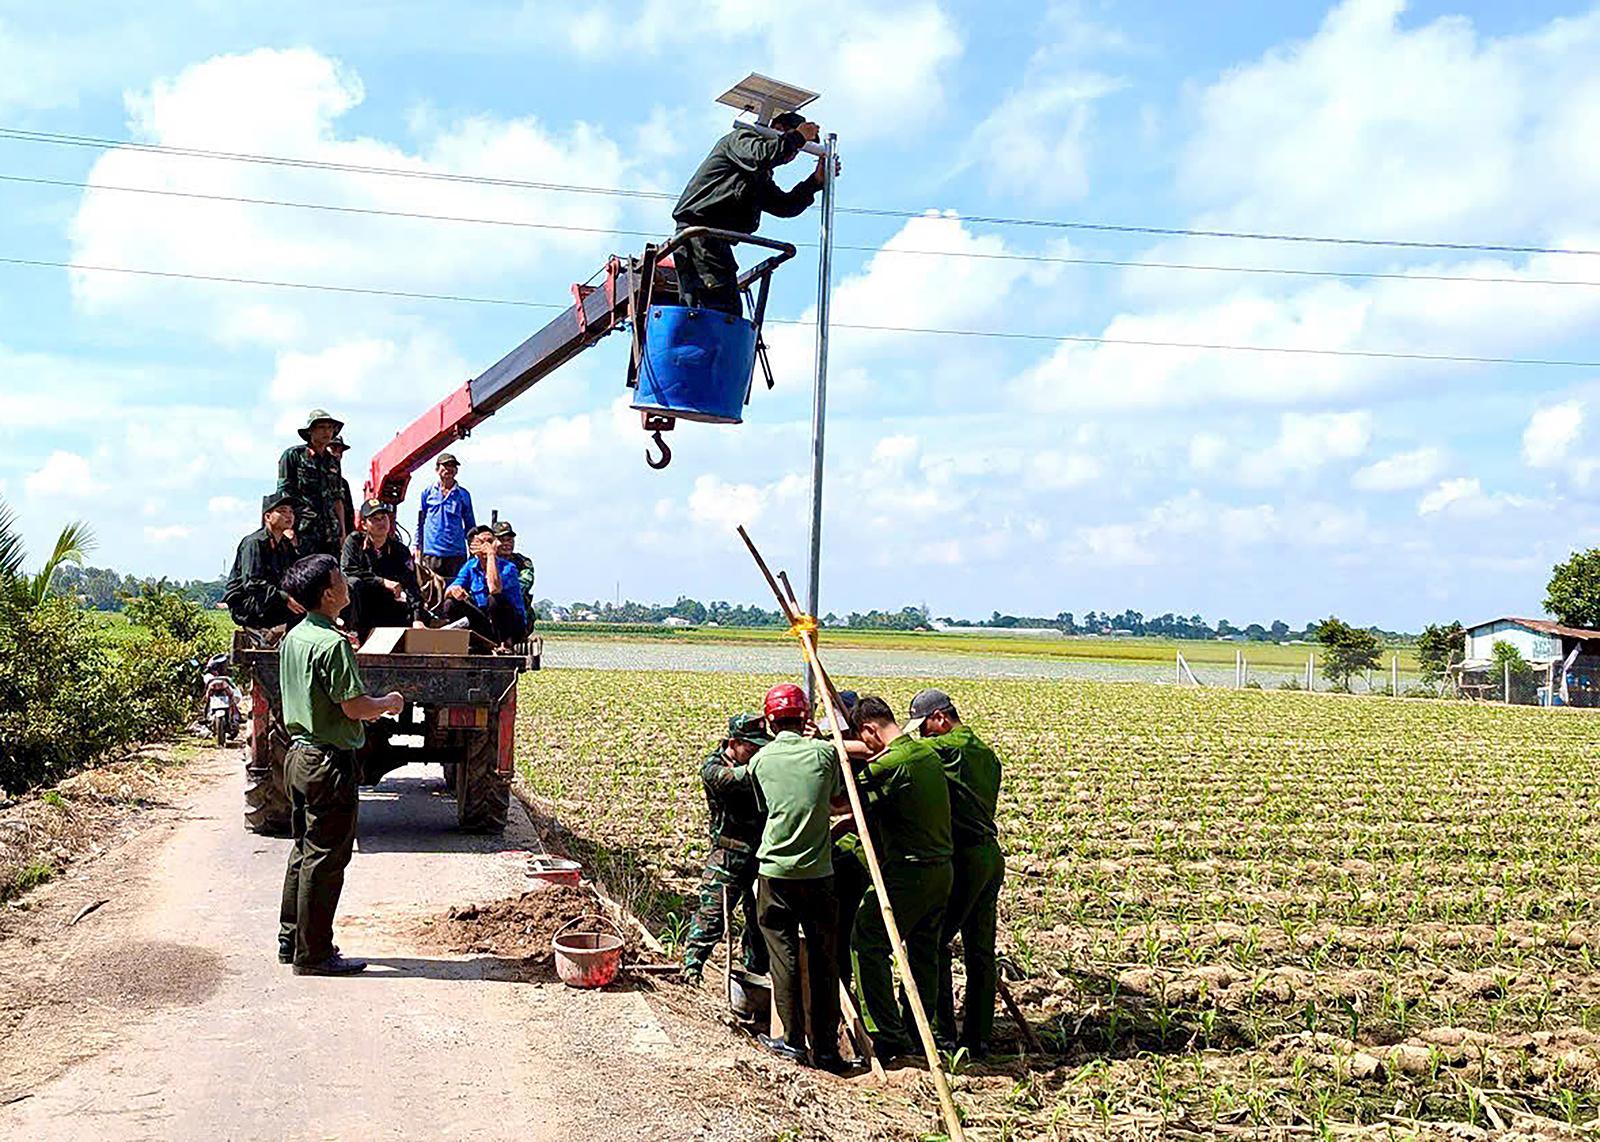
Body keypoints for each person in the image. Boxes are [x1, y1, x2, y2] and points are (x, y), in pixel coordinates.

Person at [276, 554, 404, 976]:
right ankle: (314, 954)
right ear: (329, 593)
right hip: (327, 761)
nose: (348, 583)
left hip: (298, 755)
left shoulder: (295, 637)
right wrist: (387, 704)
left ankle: (292, 940)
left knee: (305, 850)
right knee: (327, 857)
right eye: (341, 579)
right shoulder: (331, 644)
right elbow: (353, 707)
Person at [747, 683, 850, 1072]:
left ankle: (791, 1041)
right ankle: (826, 1048)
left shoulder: (761, 760)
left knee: (784, 956)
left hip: (775, 871)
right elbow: (837, 800)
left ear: (771, 720)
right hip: (819, 872)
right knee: (825, 959)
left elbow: (767, 808)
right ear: (805, 717)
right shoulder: (824, 754)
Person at [847, 695, 954, 1061]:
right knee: (924, 951)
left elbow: (841, 801)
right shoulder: (925, 754)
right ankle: (919, 1029)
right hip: (943, 869)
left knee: (868, 939)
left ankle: (886, 1033)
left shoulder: (893, 764)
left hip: (911, 871)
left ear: (869, 730)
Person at [908, 688, 1005, 1057]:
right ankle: (979, 1037)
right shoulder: (986, 753)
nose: (922, 735)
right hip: (989, 855)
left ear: (941, 719)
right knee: (981, 951)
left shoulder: (950, 748)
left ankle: (941, 1030)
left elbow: (902, 754)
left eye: (924, 728)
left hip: (964, 857)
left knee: (934, 941)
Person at [671, 112, 831, 315]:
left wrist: (815, 182)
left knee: (717, 308)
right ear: (778, 129)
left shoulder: (756, 175)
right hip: (699, 235)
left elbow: (784, 205)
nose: (793, 154)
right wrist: (797, 138)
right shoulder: (741, 139)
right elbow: (761, 155)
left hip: (712, 239)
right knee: (719, 308)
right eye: (796, 146)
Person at [681, 712, 772, 984]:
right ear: (733, 743)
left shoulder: (759, 762)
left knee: (760, 920)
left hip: (760, 854)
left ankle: (754, 973)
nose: (757, 753)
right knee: (713, 915)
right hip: (728, 855)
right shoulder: (714, 768)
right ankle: (691, 970)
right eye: (752, 748)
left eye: (762, 748)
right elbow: (737, 779)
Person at [339, 498, 427, 641]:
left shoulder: (399, 550)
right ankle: (353, 632)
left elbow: (411, 585)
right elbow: (348, 570)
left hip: (387, 603)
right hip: (361, 604)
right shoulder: (354, 542)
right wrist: (381, 581)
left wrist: (418, 618)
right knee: (353, 583)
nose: (381, 523)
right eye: (375, 519)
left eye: (384, 517)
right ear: (364, 524)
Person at [223, 492, 305, 633]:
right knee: (297, 611)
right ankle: (268, 636)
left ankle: (279, 638)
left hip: (272, 600)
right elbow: (253, 583)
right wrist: (285, 598)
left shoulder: (285, 545)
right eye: (282, 511)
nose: (289, 516)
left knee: (309, 605)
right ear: (268, 516)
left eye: (291, 512)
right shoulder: (255, 543)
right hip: (248, 603)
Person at [276, 409, 348, 556]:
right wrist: (287, 528)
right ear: (310, 431)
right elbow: (284, 494)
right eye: (321, 427)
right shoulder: (293, 456)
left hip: (330, 533)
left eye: (330, 427)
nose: (326, 432)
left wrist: (342, 533)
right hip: (303, 530)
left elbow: (338, 500)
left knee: (331, 575)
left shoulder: (333, 462)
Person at [441, 525, 527, 647]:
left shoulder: (508, 567)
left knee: (494, 599)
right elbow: (449, 590)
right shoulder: (470, 566)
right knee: (450, 603)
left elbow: (494, 589)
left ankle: (505, 643)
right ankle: (472, 641)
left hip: (510, 625)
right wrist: (455, 591)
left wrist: (491, 555)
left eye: (490, 542)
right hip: (485, 621)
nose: (487, 546)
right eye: (482, 542)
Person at [415, 453, 475, 584]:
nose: (449, 469)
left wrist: (473, 549)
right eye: (445, 465)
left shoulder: (463, 495)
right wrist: (417, 547)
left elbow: (470, 525)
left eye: (452, 466)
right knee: (431, 590)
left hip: (456, 554)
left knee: (456, 590)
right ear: (437, 469)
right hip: (431, 552)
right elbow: (421, 522)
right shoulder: (428, 492)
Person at [493, 520, 537, 623]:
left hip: (516, 612)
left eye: (510, 540)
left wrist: (496, 586)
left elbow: (522, 584)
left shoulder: (522, 563)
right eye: (502, 540)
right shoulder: (483, 561)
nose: (507, 544)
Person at [329, 435, 356, 546]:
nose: (337, 455)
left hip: (338, 540)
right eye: (333, 449)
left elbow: (349, 515)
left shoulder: (343, 483)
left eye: (340, 452)